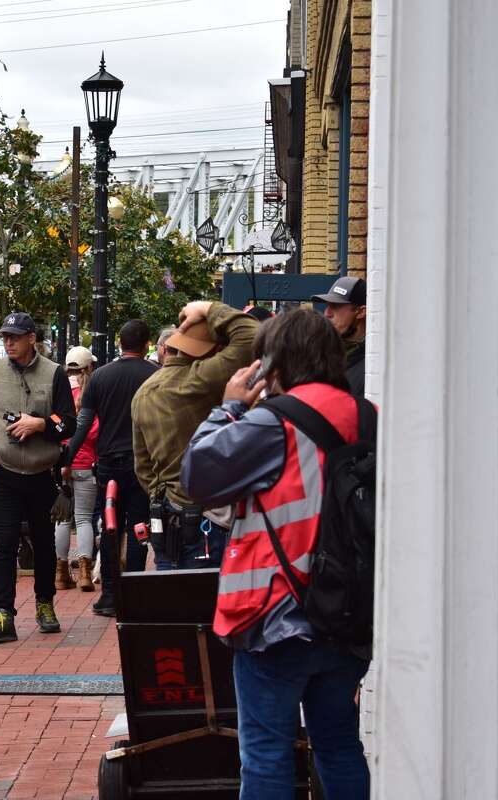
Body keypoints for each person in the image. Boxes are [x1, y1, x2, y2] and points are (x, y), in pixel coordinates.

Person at [181, 309, 370, 799]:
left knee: (266, 751)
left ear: (273, 364)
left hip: (277, 614)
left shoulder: (273, 422)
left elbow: (199, 472)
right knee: (339, 744)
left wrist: (227, 407)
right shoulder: (367, 416)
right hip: (348, 613)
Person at [0, 312, 77, 645]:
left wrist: (40, 424)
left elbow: (69, 423)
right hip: (3, 472)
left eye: (15, 337)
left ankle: (45, 604)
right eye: (5, 337)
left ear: (32, 338)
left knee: (44, 544)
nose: (8, 343)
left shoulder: (54, 373)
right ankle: (3, 615)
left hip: (40, 474)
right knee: (4, 546)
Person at [131, 301, 257, 570]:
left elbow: (142, 464)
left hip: (165, 515)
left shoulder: (144, 391)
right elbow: (252, 336)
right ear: (210, 351)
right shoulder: (202, 378)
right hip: (207, 518)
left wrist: (164, 495)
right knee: (208, 604)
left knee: (175, 603)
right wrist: (210, 308)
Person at [65, 321, 159, 613]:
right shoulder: (155, 375)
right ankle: (133, 593)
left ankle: (109, 595)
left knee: (109, 528)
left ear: (120, 343)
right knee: (138, 526)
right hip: (140, 463)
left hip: (106, 464)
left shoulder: (101, 377)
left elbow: (82, 424)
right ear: (147, 344)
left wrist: (66, 457)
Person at [54, 346, 100, 593]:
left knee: (62, 519)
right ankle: (84, 572)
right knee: (83, 518)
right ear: (88, 367)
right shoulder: (90, 394)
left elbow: (53, 422)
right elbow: (94, 431)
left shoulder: (59, 392)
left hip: (60, 463)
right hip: (86, 464)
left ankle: (61, 573)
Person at [311, 276, 367, 396]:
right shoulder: (318, 354)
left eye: (335, 306)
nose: (327, 313)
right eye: (328, 305)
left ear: (361, 312)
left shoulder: (374, 363)